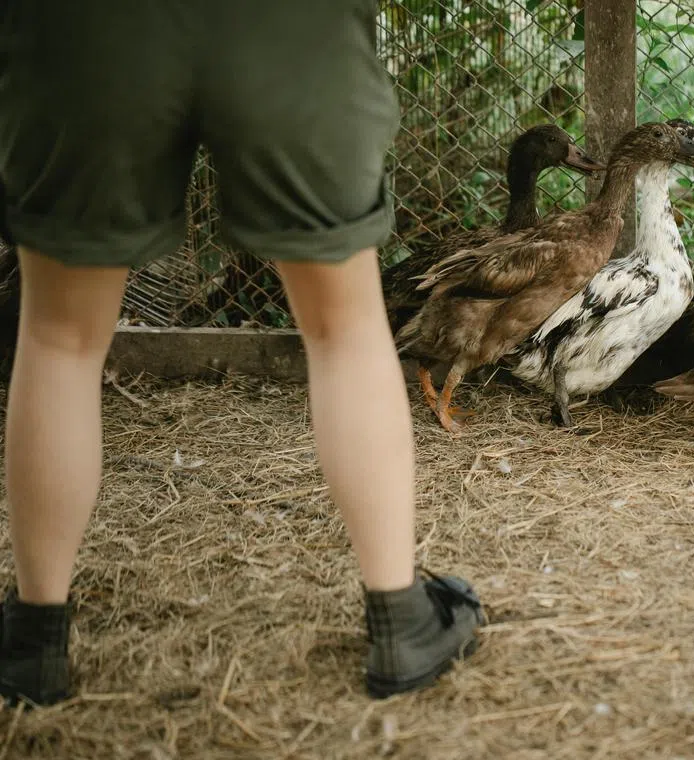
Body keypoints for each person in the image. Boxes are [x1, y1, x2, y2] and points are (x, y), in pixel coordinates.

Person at [0, 1, 483, 706]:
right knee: (343, 327)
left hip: (85, 27)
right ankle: (401, 620)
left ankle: (32, 643)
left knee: (60, 338)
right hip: (287, 23)